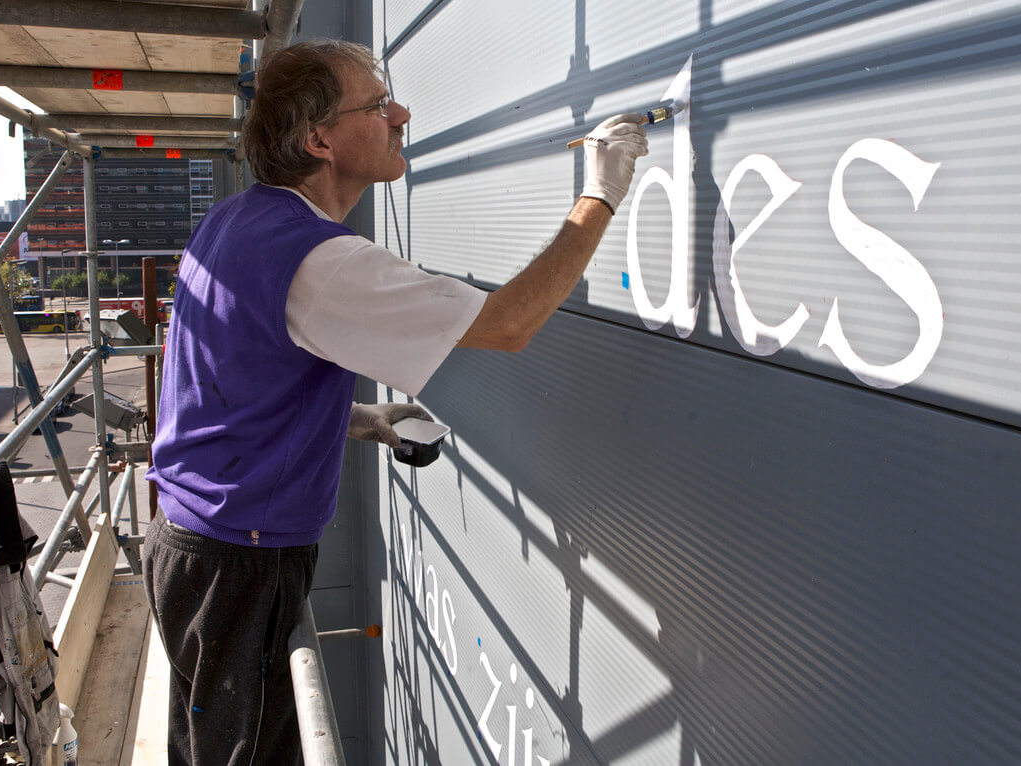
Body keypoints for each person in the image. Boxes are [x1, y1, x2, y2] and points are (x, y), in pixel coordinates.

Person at [142, 39, 647, 765]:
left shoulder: (237, 223)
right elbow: (510, 323)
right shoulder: (320, 258)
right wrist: (600, 193)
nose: (402, 115)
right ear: (319, 139)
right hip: (240, 565)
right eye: (378, 107)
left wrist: (364, 420)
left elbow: (236, 390)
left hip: (195, 549)